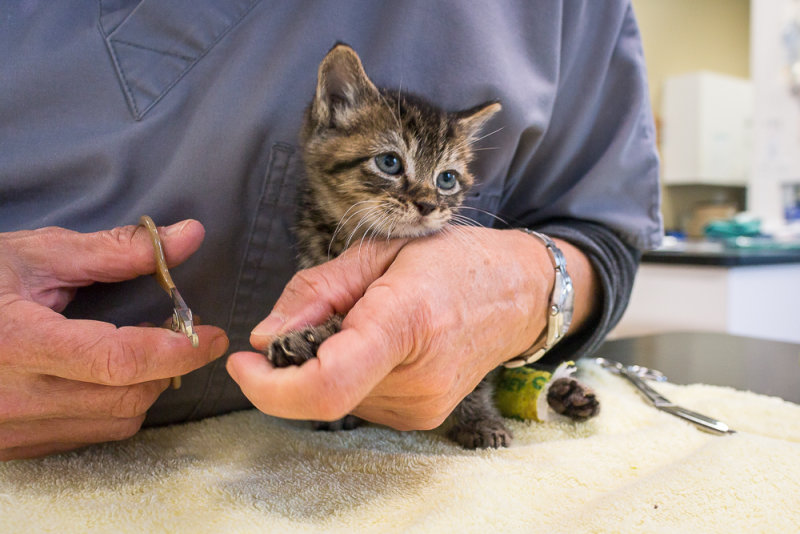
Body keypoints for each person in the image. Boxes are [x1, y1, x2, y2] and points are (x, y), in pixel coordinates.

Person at [0, 0, 661, 460]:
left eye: (447, 184)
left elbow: (602, 231)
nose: (428, 203)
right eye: (397, 169)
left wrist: (521, 288)